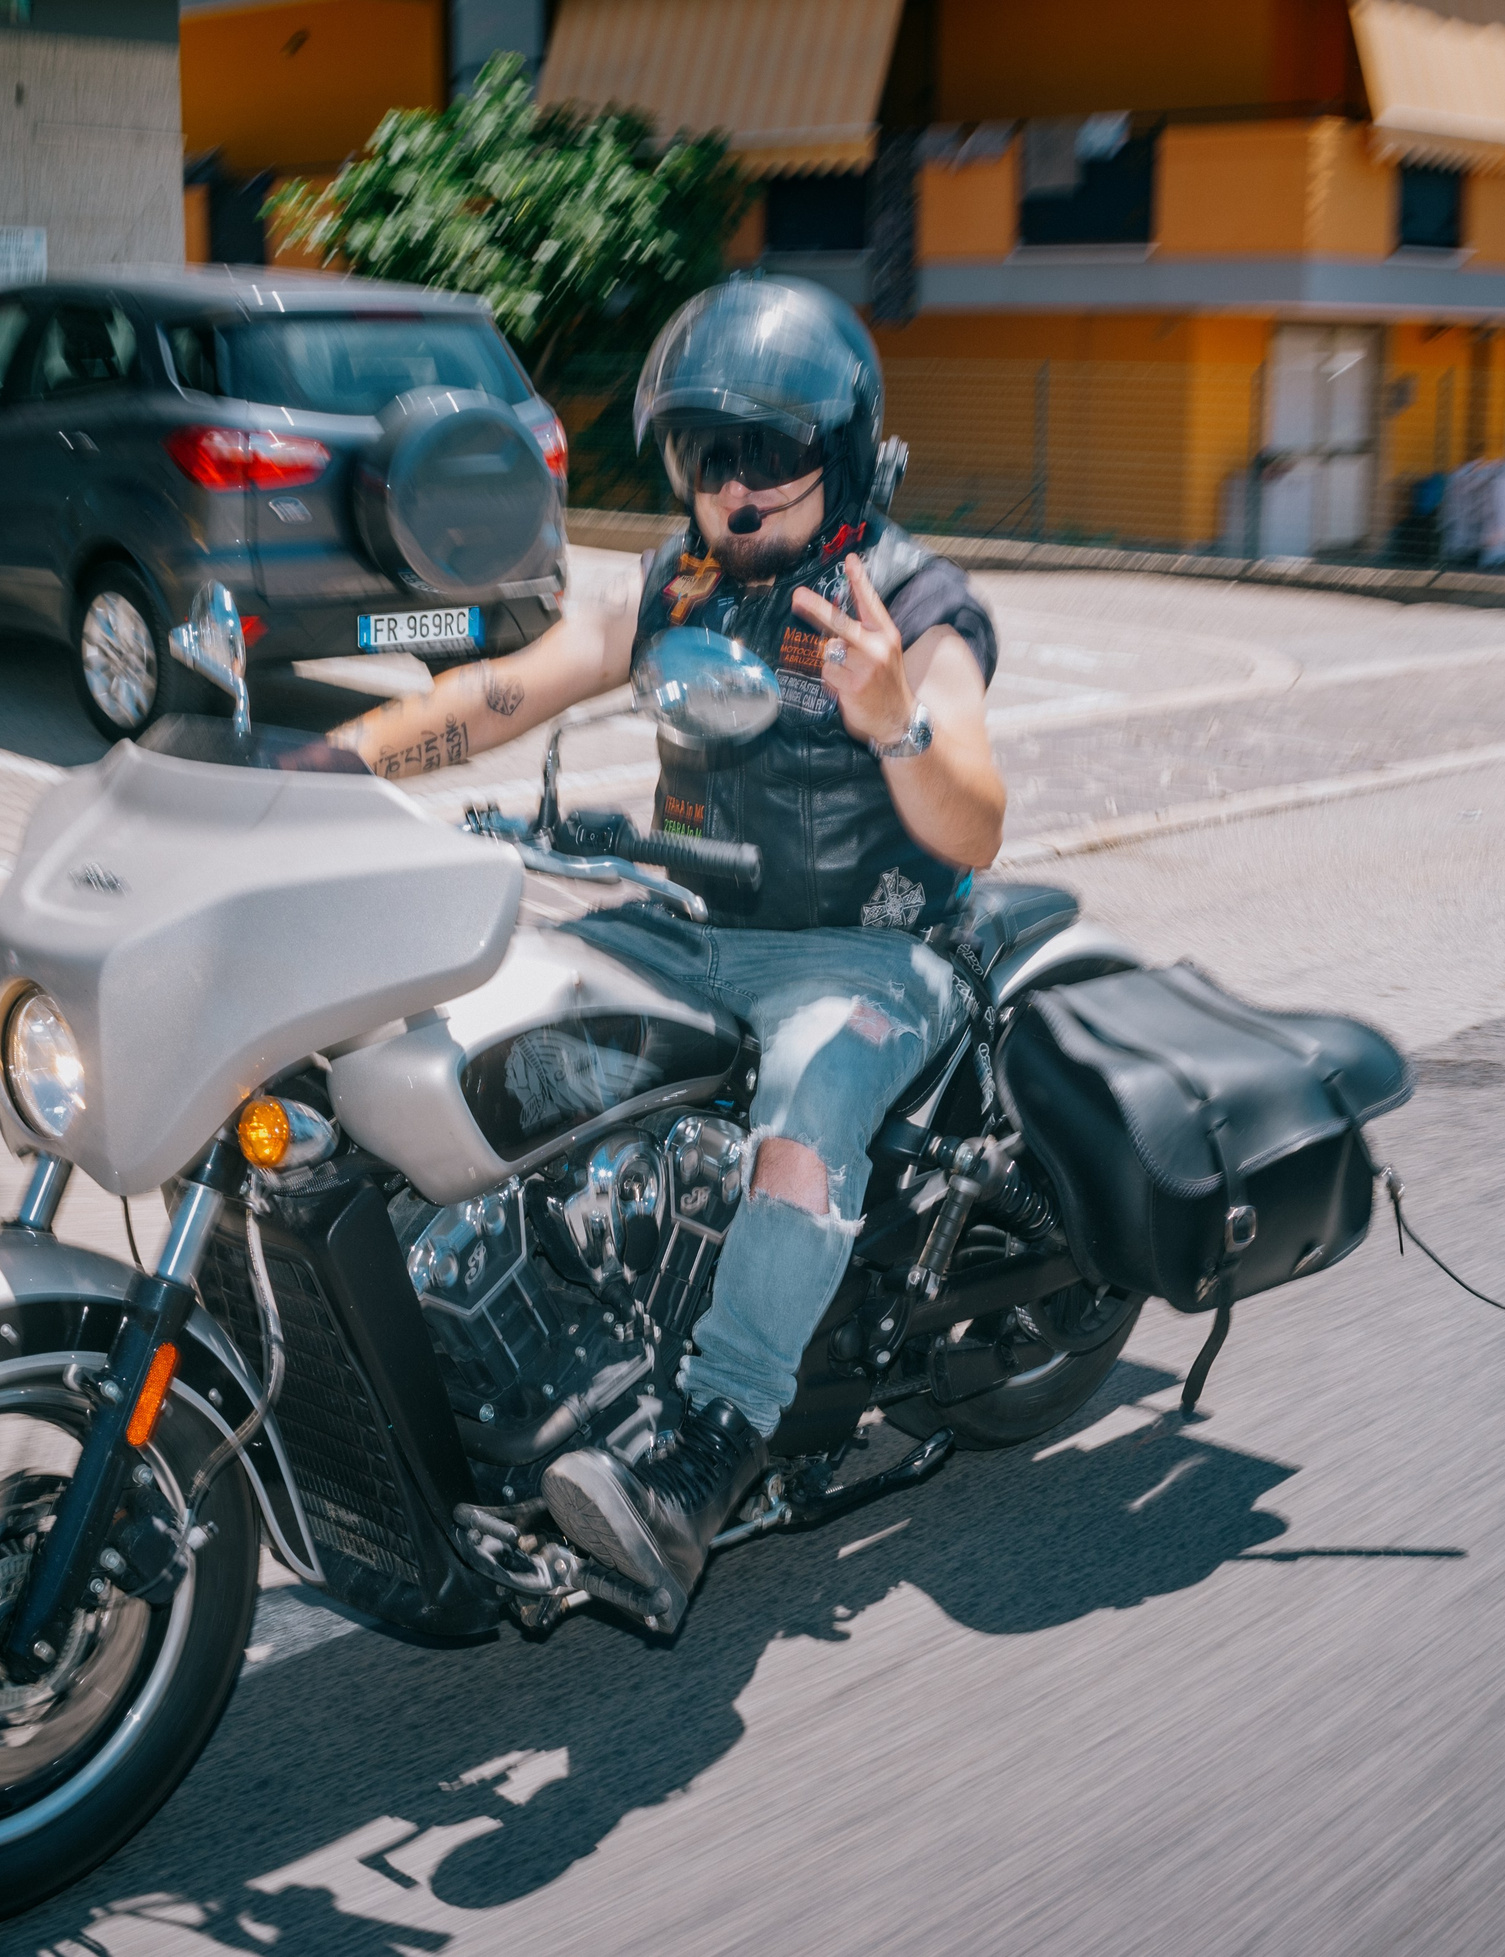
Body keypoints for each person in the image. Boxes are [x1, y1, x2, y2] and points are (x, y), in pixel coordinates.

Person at [329, 277, 1007, 1624]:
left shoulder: (916, 604)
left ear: (847, 453)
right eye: (707, 457)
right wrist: (316, 763)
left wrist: (894, 719)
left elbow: (975, 820)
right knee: (479, 1029)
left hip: (863, 956)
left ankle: (709, 1454)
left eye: (770, 455)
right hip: (691, 927)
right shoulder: (676, 582)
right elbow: (502, 691)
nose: (736, 493)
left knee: (809, 1113)